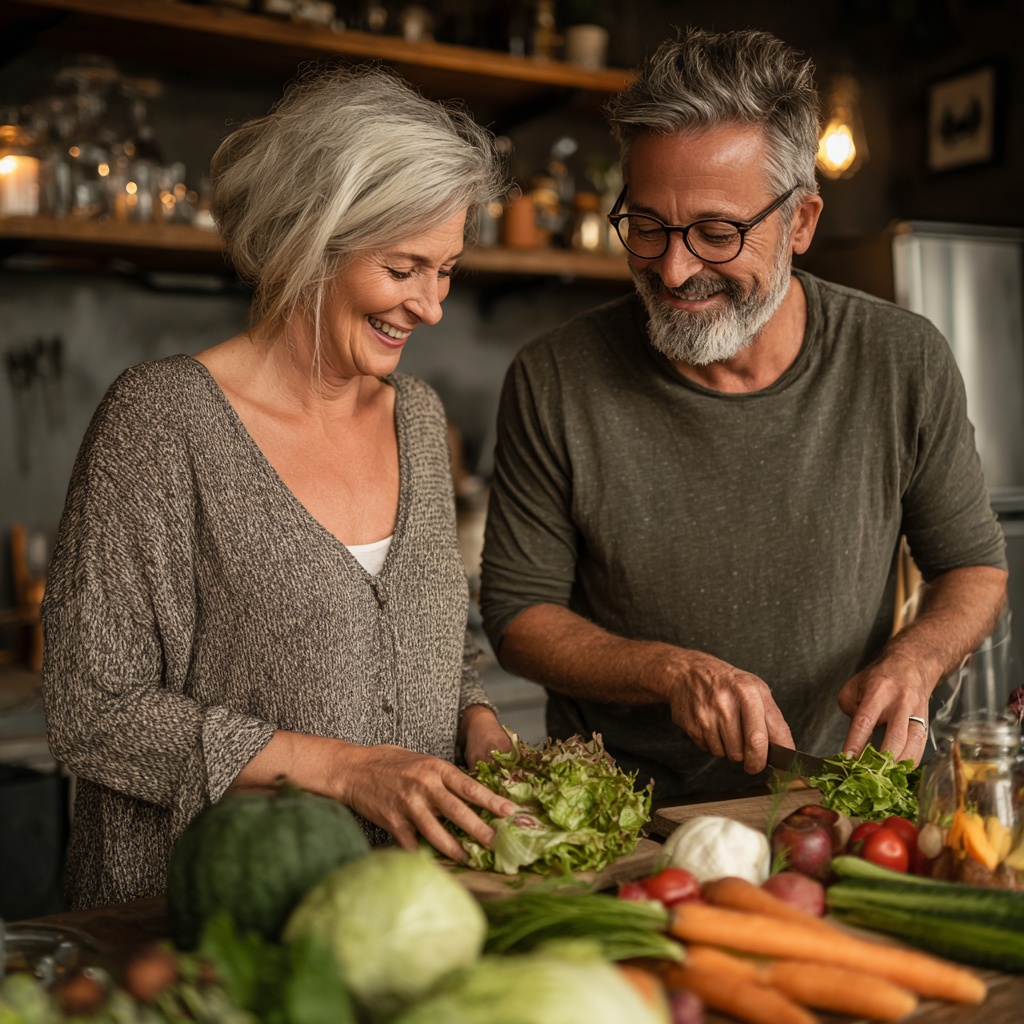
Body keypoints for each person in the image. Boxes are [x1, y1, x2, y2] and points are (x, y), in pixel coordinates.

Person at [479, 29, 1007, 803]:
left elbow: (975, 569)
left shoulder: (903, 358)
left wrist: (917, 658)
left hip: (831, 801)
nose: (674, 267)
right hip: (620, 810)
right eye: (649, 225)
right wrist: (671, 672)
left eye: (717, 233)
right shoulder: (554, 376)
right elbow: (519, 615)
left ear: (801, 223)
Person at [42, 68, 518, 910]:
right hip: (192, 922)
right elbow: (93, 714)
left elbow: (440, 645)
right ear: (311, 241)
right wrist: (344, 770)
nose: (433, 306)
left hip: (391, 917)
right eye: (405, 268)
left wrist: (475, 722)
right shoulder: (160, 421)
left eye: (446, 270)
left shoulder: (417, 416)